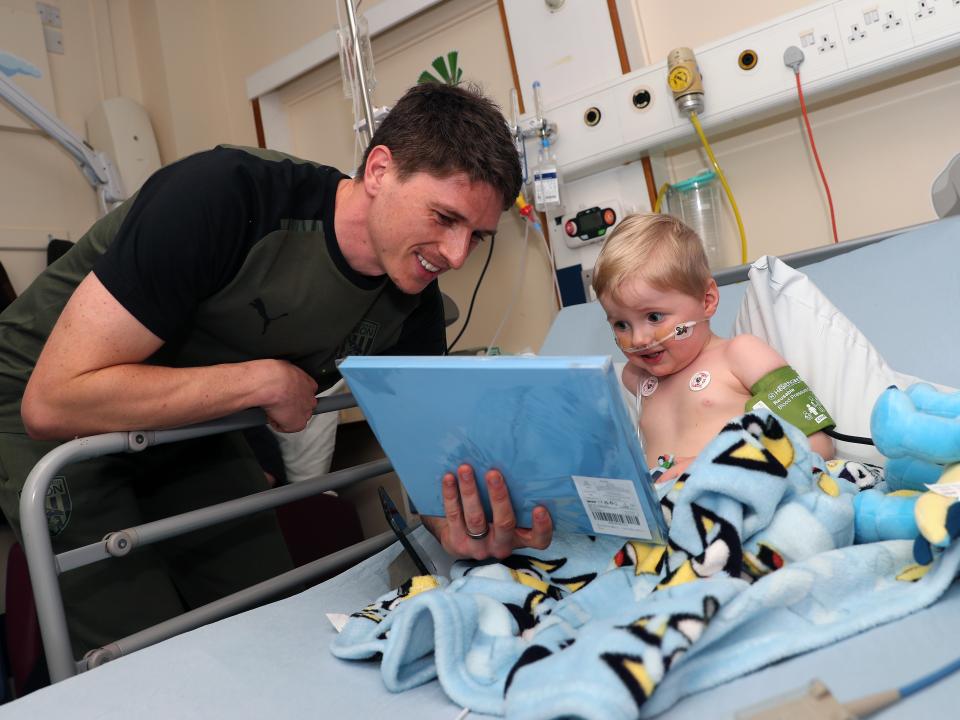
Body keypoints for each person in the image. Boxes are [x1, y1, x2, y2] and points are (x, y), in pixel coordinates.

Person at [0, 82, 541, 657]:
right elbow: (52, 401)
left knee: (265, 618)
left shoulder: (412, 308)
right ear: (380, 170)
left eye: (476, 237)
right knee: (140, 649)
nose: (456, 256)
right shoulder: (224, 199)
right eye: (444, 217)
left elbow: (424, 451)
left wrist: (457, 527)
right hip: (51, 407)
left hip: (192, 420)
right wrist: (261, 381)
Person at [592, 213, 836, 483]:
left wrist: (714, 464)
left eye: (654, 317)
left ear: (707, 300)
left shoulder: (740, 355)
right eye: (621, 324)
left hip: (735, 498)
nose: (637, 339)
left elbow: (818, 445)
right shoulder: (637, 378)